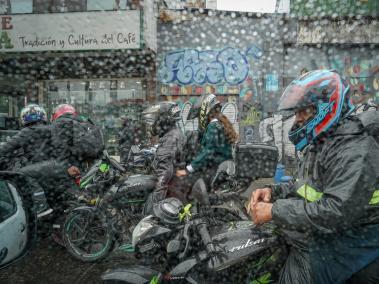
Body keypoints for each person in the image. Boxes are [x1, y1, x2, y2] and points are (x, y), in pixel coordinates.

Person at [249, 70, 379, 283]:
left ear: (326, 108)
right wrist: (273, 191)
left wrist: (275, 210)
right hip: (332, 233)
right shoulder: (323, 141)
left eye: (304, 112)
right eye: (297, 112)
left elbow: (337, 211)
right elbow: (305, 184)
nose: (298, 120)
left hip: (357, 240)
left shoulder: (354, 149)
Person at [0, 104, 53, 216]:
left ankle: (40, 205)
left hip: (38, 167)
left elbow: (7, 147)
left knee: (21, 175)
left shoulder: (26, 132)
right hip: (53, 166)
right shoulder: (51, 129)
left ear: (24, 118)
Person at [176, 94, 238, 186]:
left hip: (215, 171)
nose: (199, 120)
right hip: (223, 169)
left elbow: (208, 152)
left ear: (204, 111)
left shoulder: (213, 126)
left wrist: (188, 169)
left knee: (185, 184)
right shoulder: (221, 123)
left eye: (198, 117)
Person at [141, 102, 186, 214]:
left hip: (171, 190)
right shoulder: (174, 133)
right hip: (176, 185)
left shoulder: (170, 137)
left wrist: (153, 203)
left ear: (163, 120)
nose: (153, 125)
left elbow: (164, 172)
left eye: (155, 120)